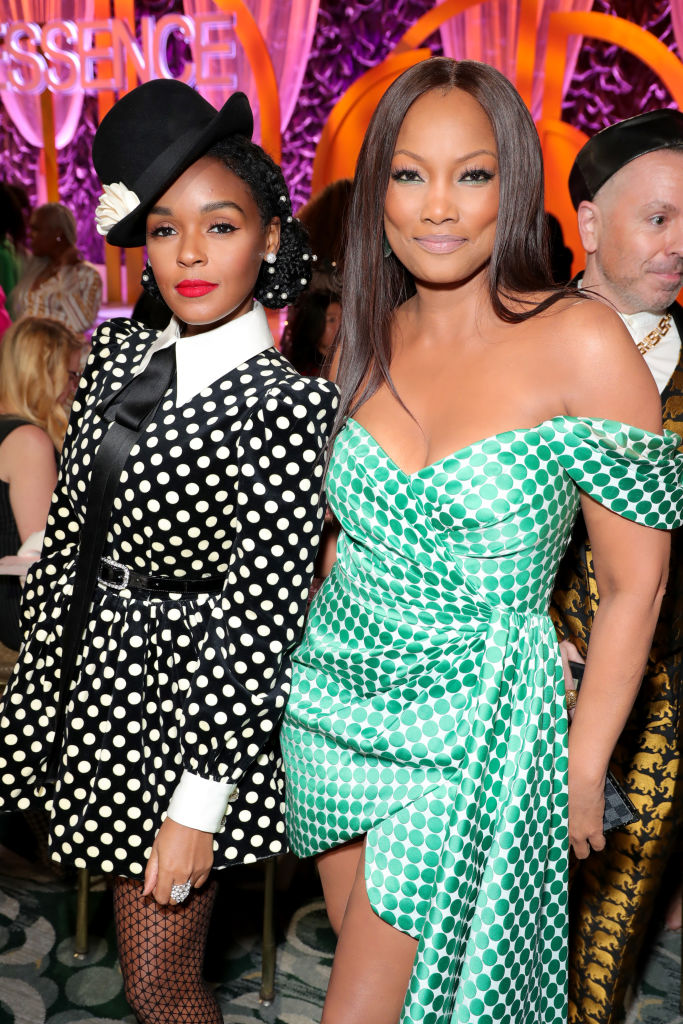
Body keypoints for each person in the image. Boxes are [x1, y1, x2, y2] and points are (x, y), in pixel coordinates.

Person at [280, 57, 683, 1024]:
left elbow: (637, 587)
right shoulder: (365, 337)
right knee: (408, 997)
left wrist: (584, 765)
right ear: (376, 191)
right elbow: (345, 537)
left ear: (512, 184)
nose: (437, 207)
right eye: (408, 174)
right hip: (333, 710)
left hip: (477, 730)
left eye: (471, 174)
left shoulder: (583, 344)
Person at [0, 79, 338, 1024]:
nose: (188, 253)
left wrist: (199, 802)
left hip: (192, 713)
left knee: (157, 983)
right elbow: (70, 529)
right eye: (161, 229)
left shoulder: (286, 409)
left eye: (219, 226)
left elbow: (259, 625)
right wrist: (40, 692)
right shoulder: (117, 358)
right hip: (96, 681)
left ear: (270, 236)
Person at [550, 108, 683, 1024]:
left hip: (660, 709)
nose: (679, 245)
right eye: (659, 217)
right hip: (521, 694)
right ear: (591, 224)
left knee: (601, 958)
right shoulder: (517, 345)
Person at [0, 316, 80, 651]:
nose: (78, 384)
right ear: (44, 374)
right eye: (72, 374)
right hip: (20, 610)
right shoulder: (29, 439)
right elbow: (43, 551)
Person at [8, 202, 102, 339]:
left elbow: (81, 324)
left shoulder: (87, 275)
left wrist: (66, 271)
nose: (30, 235)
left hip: (62, 357)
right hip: (29, 354)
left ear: (57, 234)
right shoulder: (35, 268)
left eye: (36, 229)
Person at [281, 289, 341, 375]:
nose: (340, 325)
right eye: (332, 320)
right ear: (314, 325)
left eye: (343, 318)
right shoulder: (305, 374)